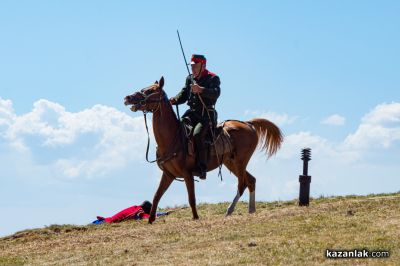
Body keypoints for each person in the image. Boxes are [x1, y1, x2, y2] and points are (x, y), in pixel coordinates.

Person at [170, 54, 221, 180]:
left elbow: (216, 93)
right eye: (191, 66)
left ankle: (202, 168)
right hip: (192, 114)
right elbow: (183, 94)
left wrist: (201, 90)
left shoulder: (213, 78)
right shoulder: (189, 78)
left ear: (203, 65)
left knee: (197, 134)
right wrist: (174, 99)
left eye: (195, 66)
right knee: (178, 127)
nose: (192, 68)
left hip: (206, 115)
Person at [92, 200, 170, 224]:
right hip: (106, 222)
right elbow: (149, 217)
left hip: (105, 220)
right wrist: (164, 214)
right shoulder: (139, 211)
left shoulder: (135, 208)